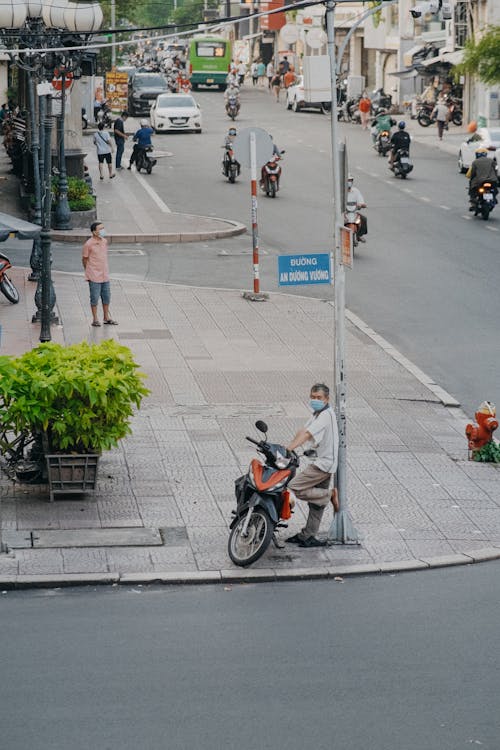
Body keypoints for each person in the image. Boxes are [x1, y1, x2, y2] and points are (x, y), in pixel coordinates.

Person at [285, 383, 339, 548]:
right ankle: (308, 536)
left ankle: (329, 494)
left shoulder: (326, 415)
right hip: (320, 461)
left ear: (327, 399)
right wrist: (287, 447)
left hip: (323, 464)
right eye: (313, 397)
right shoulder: (317, 413)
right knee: (317, 503)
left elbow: (308, 434)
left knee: (293, 487)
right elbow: (303, 431)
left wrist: (290, 448)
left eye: (319, 398)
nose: (315, 400)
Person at [82, 222, 118, 327]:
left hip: (104, 274)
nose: (103, 230)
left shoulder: (104, 241)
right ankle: (95, 319)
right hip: (94, 275)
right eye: (100, 229)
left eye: (103, 228)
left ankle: (106, 317)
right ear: (94, 232)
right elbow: (84, 259)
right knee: (94, 297)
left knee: (106, 297)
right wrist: (88, 270)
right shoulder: (88, 244)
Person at [346, 175, 367, 241]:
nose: (349, 182)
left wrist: (361, 205)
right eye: (348, 180)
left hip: (353, 212)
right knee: (338, 221)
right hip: (344, 213)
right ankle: (337, 234)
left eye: (350, 180)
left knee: (363, 219)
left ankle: (359, 235)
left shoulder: (356, 191)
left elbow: (361, 201)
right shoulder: (340, 191)